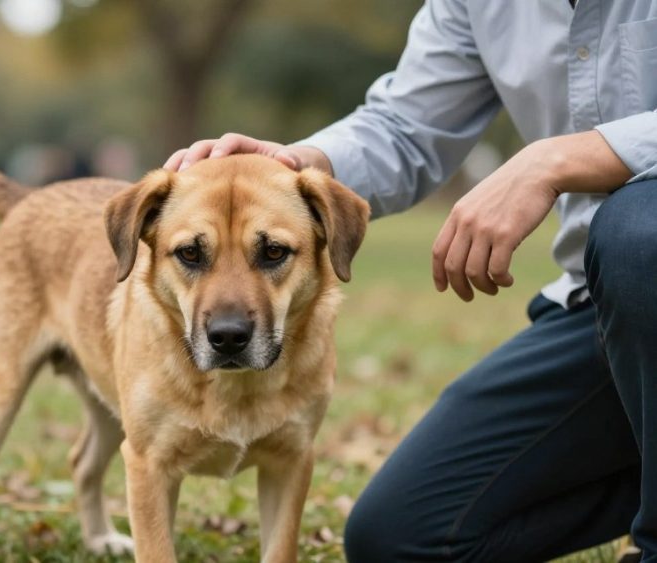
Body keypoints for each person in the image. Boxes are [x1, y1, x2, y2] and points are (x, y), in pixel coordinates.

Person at [163, 1, 657, 561]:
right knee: (403, 537)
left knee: (640, 230)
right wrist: (294, 167)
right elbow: (406, 127)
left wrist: (553, 160)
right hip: (603, 308)